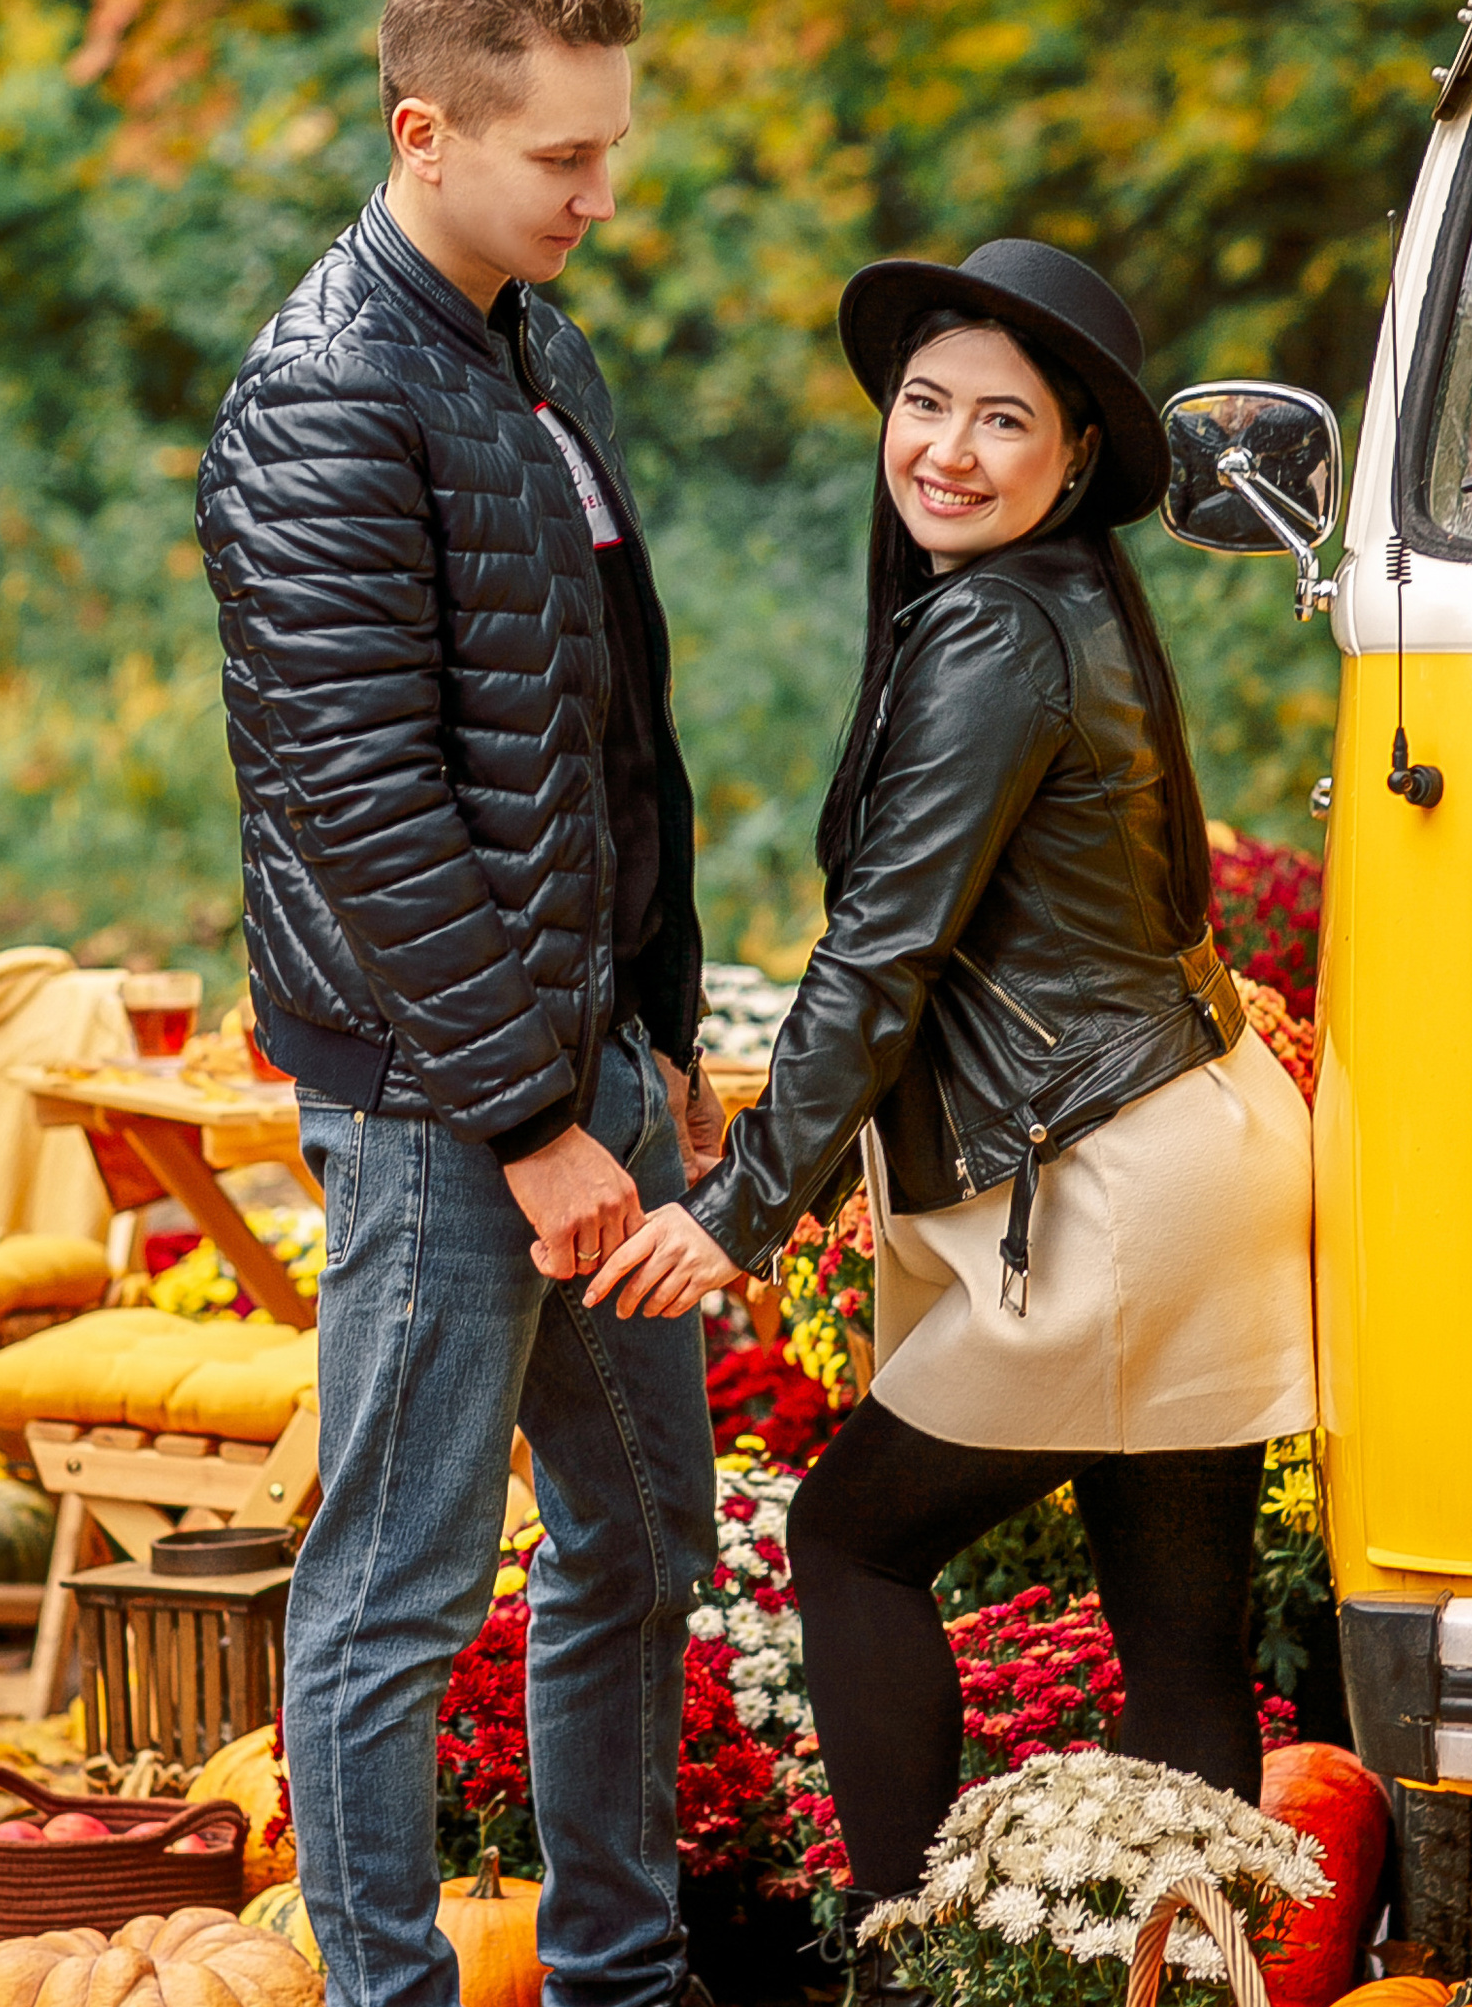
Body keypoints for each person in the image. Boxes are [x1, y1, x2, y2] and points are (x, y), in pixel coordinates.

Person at [588, 239, 1314, 2001]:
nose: (950, 450)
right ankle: (1178, 1986)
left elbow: (879, 960)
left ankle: (904, 1972)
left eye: (1006, 419)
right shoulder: (1051, 602)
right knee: (1180, 1637)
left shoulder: (994, 627)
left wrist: (738, 1204)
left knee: (847, 1540)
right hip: (1186, 1132)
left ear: (1074, 457)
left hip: (1110, 1180)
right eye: (926, 405)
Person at [196, 0, 725, 2007]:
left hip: (584, 1051)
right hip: (441, 1105)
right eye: (562, 157)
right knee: (391, 1595)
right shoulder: (327, 398)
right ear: (426, 130)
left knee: (644, 1534)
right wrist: (524, 1120)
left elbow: (604, 715)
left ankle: (616, 1967)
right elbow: (367, 801)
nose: (602, 192)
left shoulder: (522, 330)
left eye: (607, 147)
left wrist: (654, 1025)